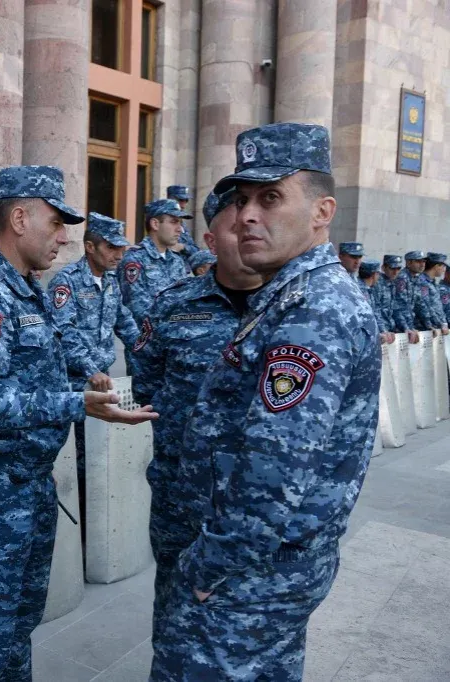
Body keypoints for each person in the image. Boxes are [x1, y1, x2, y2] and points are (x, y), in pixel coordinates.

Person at [161, 123, 380, 680]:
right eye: (242, 199)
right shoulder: (288, 296)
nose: (247, 216)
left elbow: (272, 471)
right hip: (265, 565)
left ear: (321, 211)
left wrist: (210, 568)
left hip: (249, 572)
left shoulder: (313, 310)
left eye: (271, 197)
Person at [0, 165, 157, 682]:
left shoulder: (27, 289)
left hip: (30, 483)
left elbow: (51, 356)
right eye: (56, 223)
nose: (65, 237)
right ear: (19, 218)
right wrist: (75, 403)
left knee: (17, 625)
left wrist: (90, 380)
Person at [130, 187, 264, 676]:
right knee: (174, 619)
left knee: (247, 633)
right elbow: (147, 381)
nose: (254, 230)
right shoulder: (173, 304)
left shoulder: (297, 310)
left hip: (256, 508)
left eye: (263, 216)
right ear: (210, 239)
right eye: (238, 224)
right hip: (179, 495)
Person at [47, 212, 140, 534]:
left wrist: (147, 346)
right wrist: (91, 368)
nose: (119, 254)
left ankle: (96, 536)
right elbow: (62, 331)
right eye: (112, 247)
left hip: (103, 384)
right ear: (90, 246)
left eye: (122, 248)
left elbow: (124, 321)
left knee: (100, 460)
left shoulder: (111, 281)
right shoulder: (67, 281)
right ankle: (79, 539)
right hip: (75, 386)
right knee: (76, 462)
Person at [117, 199, 191, 337]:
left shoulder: (177, 261)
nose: (180, 229)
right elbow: (137, 308)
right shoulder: (134, 260)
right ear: (155, 224)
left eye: (180, 223)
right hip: (147, 346)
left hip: (177, 341)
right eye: (174, 221)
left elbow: (184, 301)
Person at [392, 251, 427, 343]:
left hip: (408, 326)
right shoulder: (402, 278)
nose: (422, 264)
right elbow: (401, 305)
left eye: (423, 261)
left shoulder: (415, 278)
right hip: (400, 326)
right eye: (418, 261)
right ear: (408, 263)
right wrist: (408, 327)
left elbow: (418, 304)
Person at [359, 259, 396, 344]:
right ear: (374, 274)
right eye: (378, 274)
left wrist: (383, 331)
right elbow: (366, 317)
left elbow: (376, 312)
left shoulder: (369, 289)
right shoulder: (360, 289)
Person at [414, 253, 449, 335]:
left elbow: (438, 307)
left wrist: (444, 323)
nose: (444, 270)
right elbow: (425, 306)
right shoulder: (422, 282)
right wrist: (439, 323)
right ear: (436, 266)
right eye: (443, 266)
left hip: (437, 327)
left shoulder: (433, 283)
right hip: (426, 328)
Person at [166, 184, 200, 263]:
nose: (183, 205)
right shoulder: (162, 223)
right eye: (181, 200)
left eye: (186, 200)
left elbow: (196, 251)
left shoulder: (182, 225)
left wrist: (183, 247)